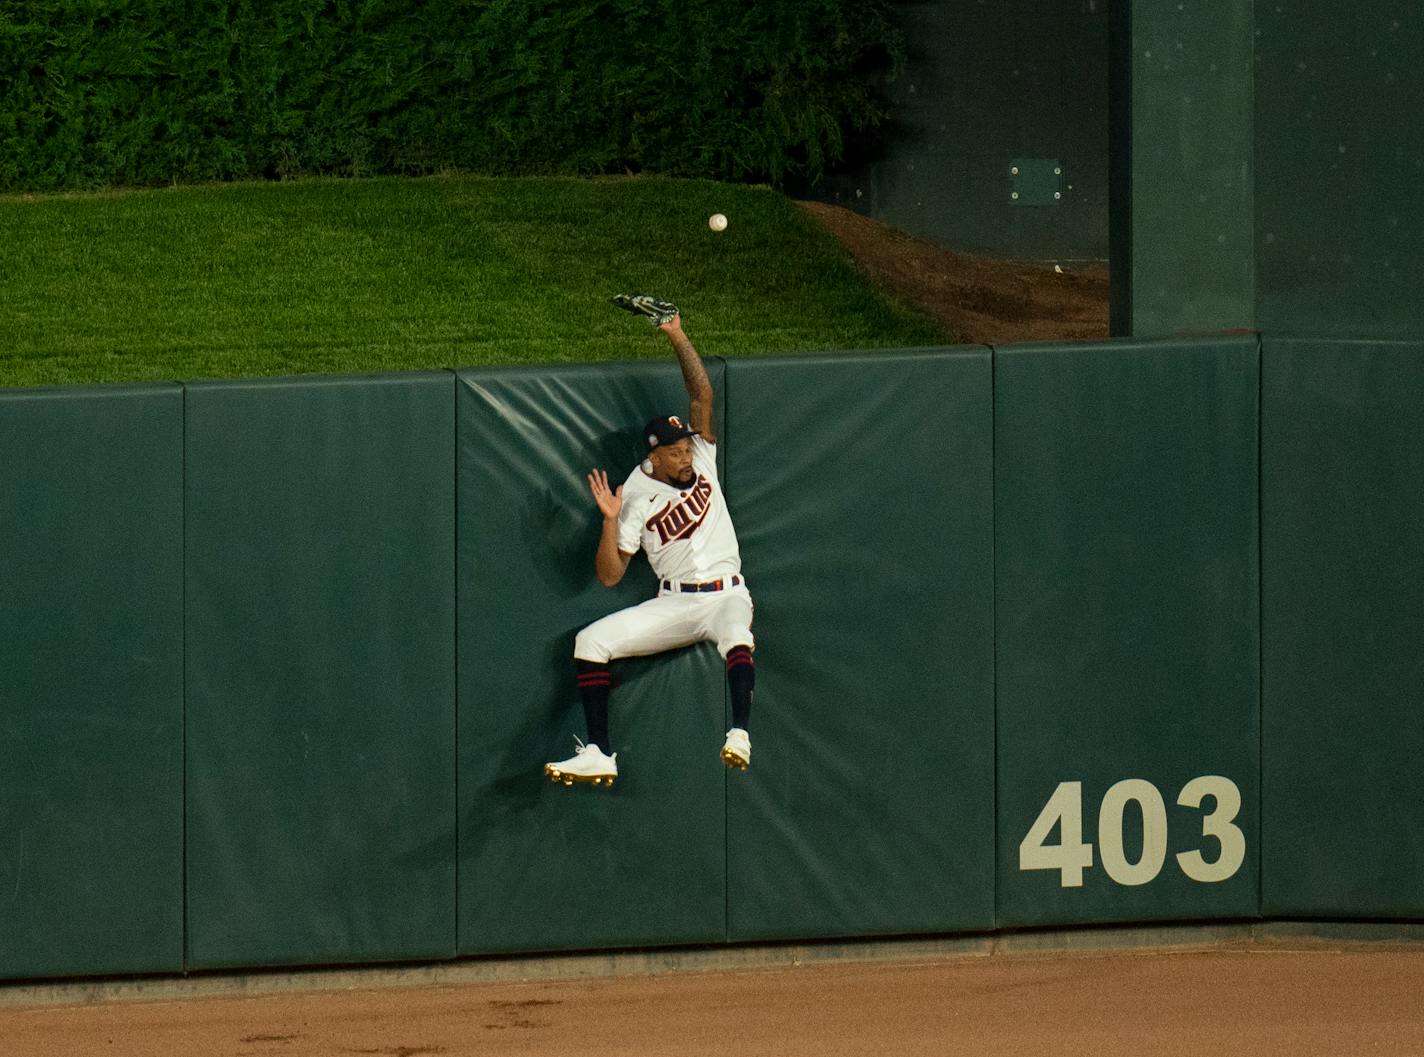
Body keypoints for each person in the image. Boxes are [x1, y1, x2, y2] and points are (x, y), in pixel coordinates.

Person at [544, 295, 755, 788]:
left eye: (689, 447)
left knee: (737, 636)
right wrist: (610, 522)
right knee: (590, 641)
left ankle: (740, 735)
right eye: (678, 451)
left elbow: (701, 397)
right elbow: (610, 575)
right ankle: (599, 752)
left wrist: (676, 332)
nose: (689, 456)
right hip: (675, 604)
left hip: (727, 592)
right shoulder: (635, 495)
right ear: (655, 455)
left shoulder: (702, 455)